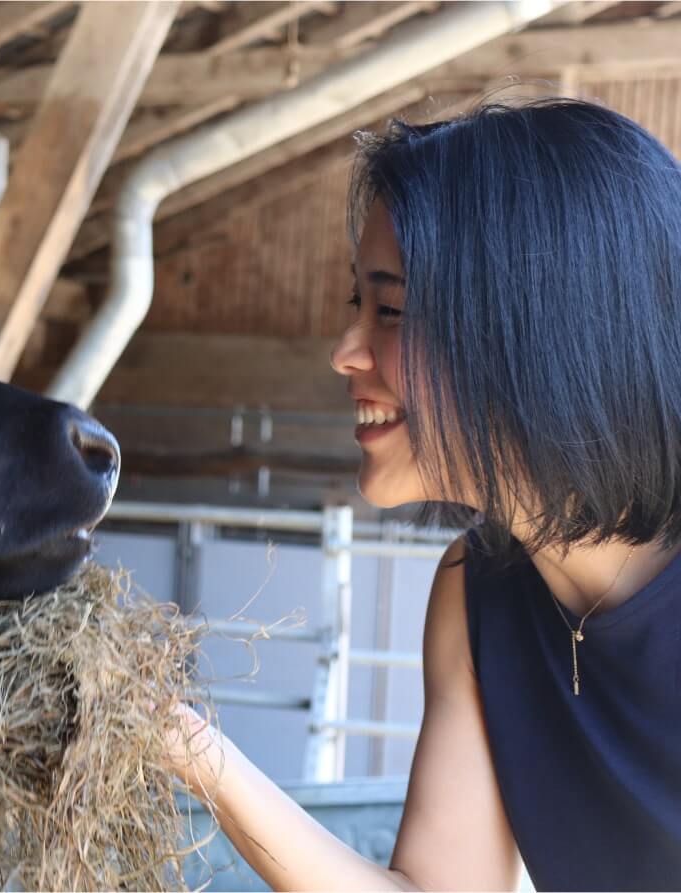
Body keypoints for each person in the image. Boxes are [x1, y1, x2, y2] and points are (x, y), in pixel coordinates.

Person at [164, 98, 681, 891]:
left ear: (533, 330)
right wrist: (192, 750)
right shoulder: (475, 594)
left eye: (392, 310)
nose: (344, 352)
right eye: (357, 306)